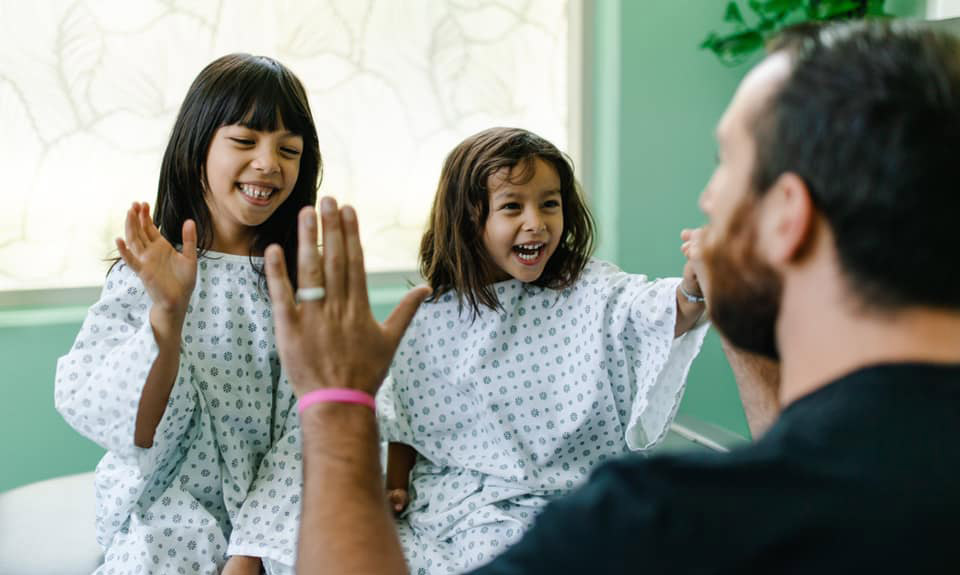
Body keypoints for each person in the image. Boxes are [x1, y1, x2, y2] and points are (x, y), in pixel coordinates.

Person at [267, 21, 960, 575]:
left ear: (788, 217)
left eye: (726, 164)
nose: (707, 197)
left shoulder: (651, 524)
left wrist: (335, 405)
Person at [377, 127, 708, 572]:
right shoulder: (429, 315)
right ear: (467, 218)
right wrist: (394, 484)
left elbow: (656, 310)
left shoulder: (589, 287)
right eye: (512, 206)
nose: (536, 222)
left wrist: (693, 288)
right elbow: (403, 420)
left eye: (549, 204)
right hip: (470, 501)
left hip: (579, 490)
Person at [54, 53, 321, 575]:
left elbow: (309, 428)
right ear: (196, 146)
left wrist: (248, 554)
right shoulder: (145, 275)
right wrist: (168, 315)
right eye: (245, 141)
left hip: (282, 520)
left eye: (288, 150)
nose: (269, 163)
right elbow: (132, 427)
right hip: (166, 511)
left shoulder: (304, 286)